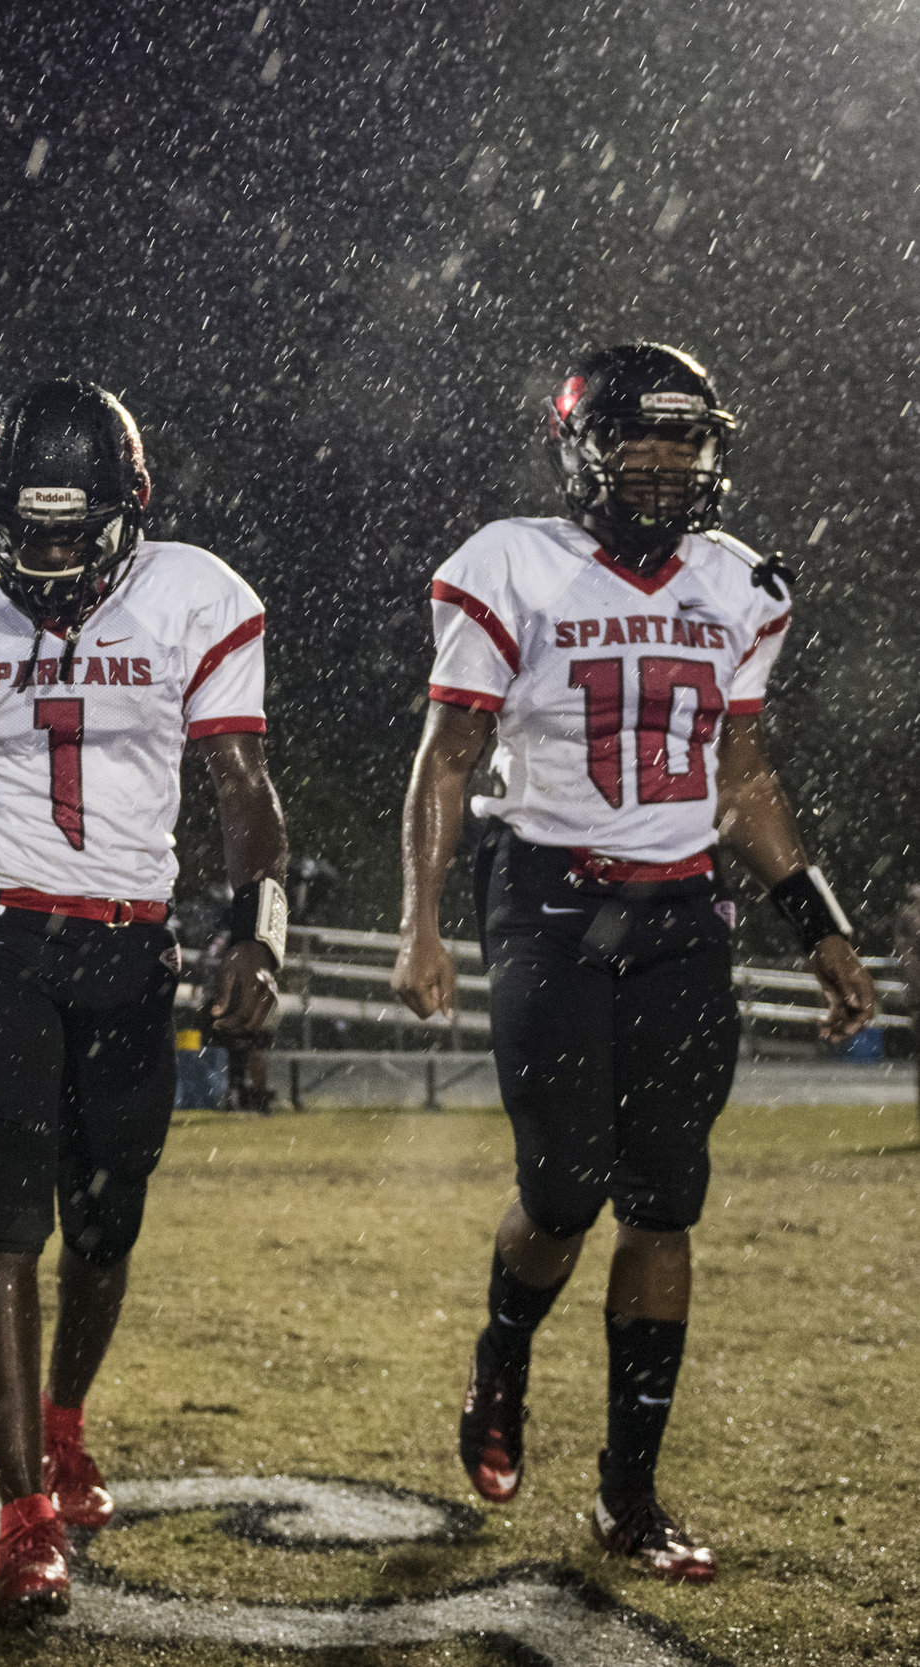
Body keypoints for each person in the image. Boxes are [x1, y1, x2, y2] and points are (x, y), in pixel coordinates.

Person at [392, 342, 874, 1584]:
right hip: (549, 900)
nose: (664, 464)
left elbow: (742, 775)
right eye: (637, 440)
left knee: (664, 1200)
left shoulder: (742, 584)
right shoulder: (511, 563)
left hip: (678, 916)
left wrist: (814, 919)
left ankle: (627, 1495)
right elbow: (449, 755)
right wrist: (420, 918)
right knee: (562, 1189)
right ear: (582, 449)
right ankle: (503, 1356)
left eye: (684, 441)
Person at [0, 379, 286, 1620]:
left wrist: (256, 932)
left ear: (124, 513)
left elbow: (242, 786)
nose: (42, 557)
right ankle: (21, 1511)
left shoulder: (195, 595)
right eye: (22, 530)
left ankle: (63, 1416)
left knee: (105, 1222)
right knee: (2, 1214)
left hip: (129, 947)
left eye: (66, 530)